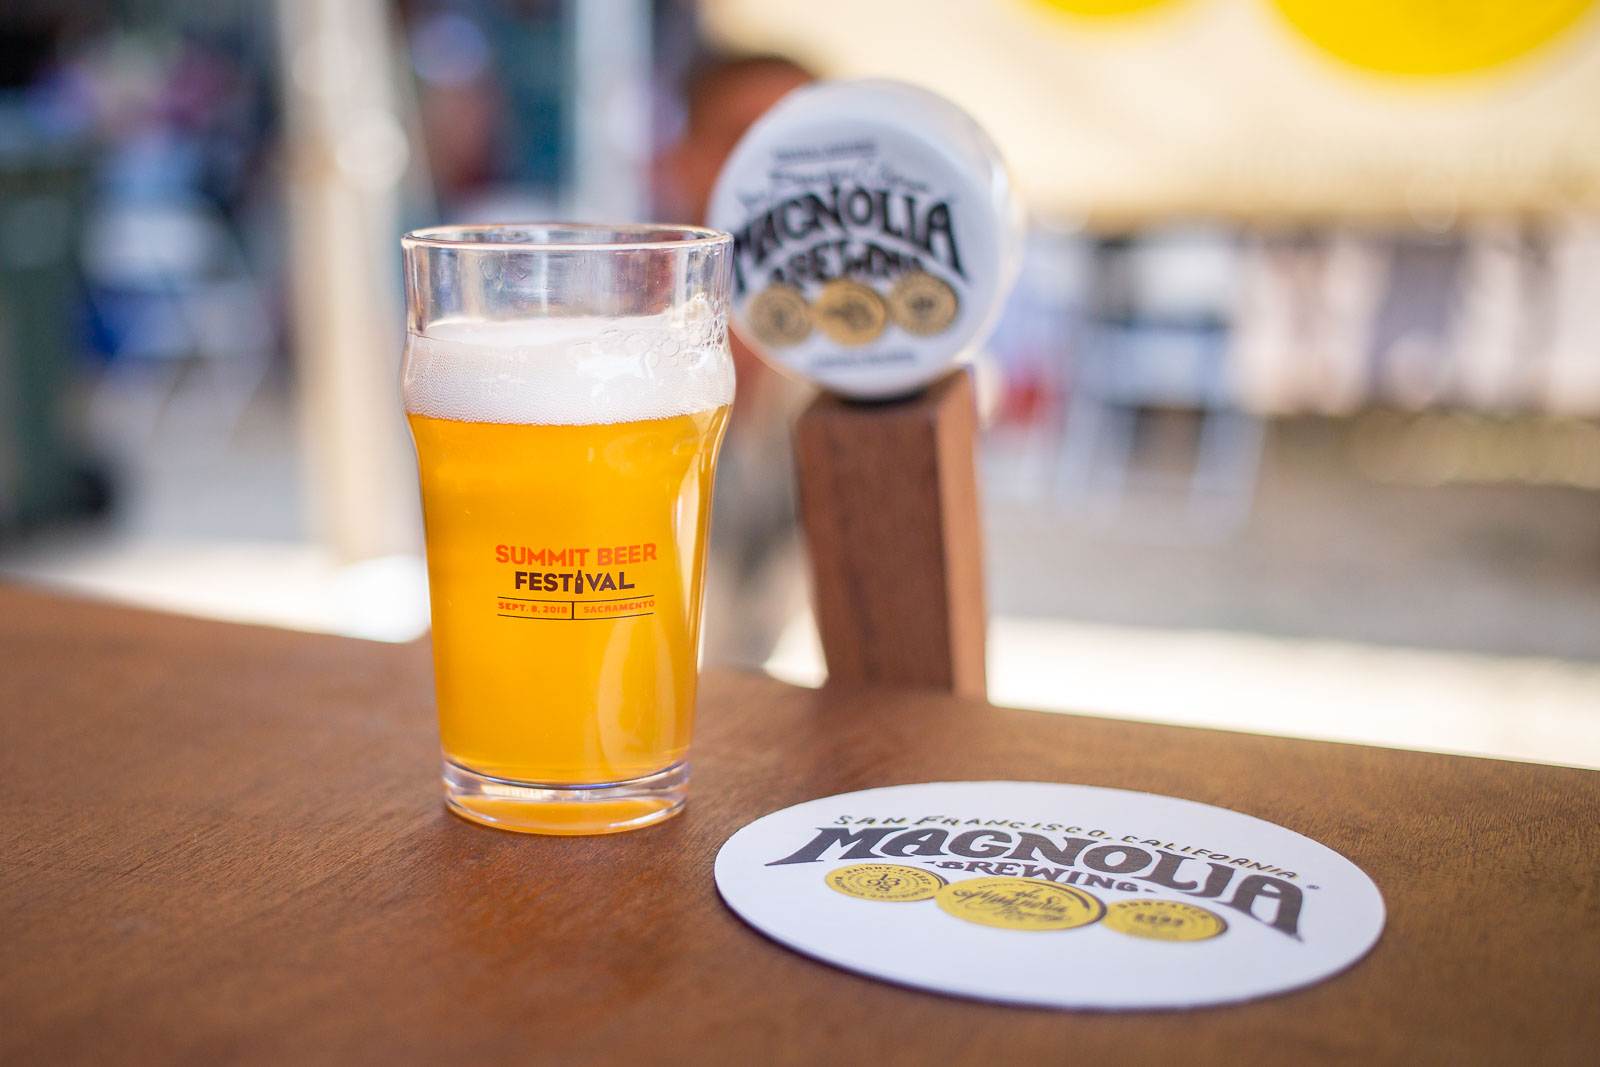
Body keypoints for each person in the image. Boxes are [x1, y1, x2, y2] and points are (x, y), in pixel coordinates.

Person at [660, 54, 814, 668]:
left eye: (800, 146)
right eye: (743, 140)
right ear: (681, 158)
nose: (774, 170)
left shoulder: (859, 380)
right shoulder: (613, 360)